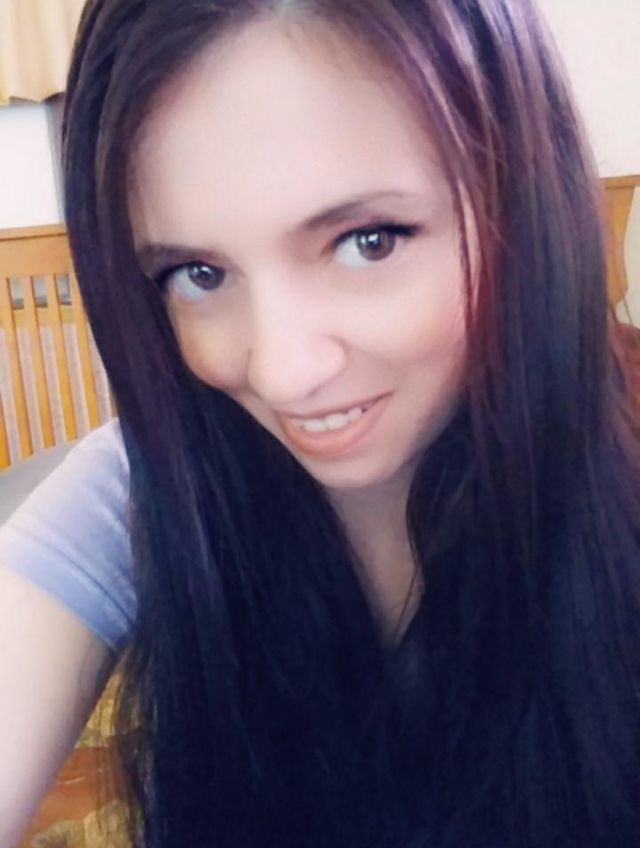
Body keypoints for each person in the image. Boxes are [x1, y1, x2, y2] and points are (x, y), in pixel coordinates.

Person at [1, 0, 639, 845]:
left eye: (370, 241)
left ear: (521, 201)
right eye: (197, 273)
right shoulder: (147, 480)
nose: (281, 371)